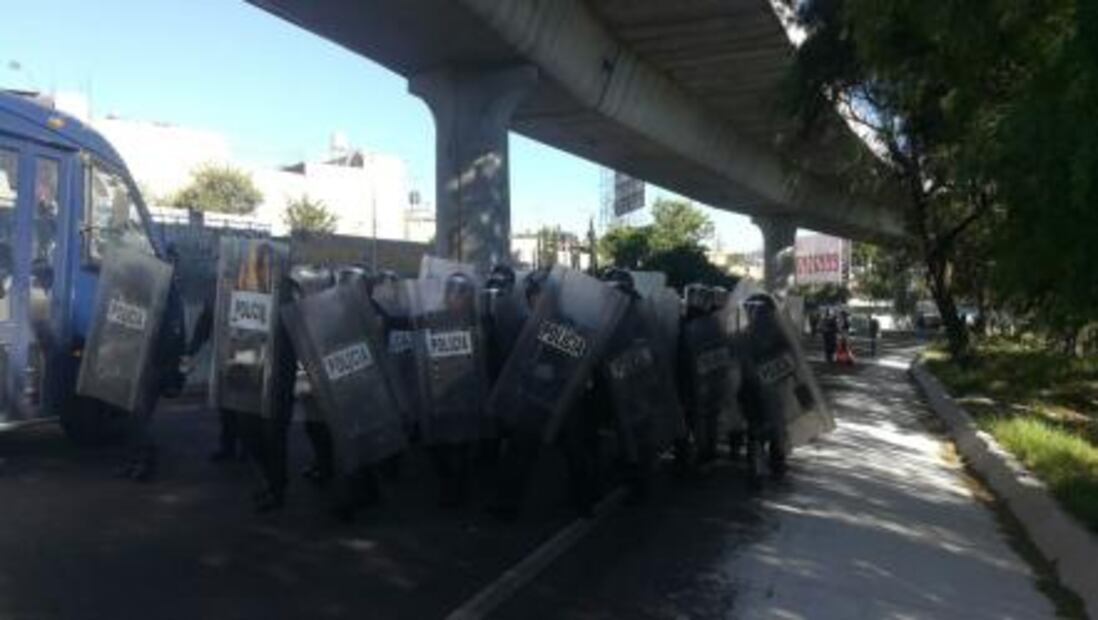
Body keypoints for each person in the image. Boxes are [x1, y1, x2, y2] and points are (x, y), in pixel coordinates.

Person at [116, 244, 186, 482]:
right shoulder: (155, 288)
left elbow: (173, 331)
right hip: (143, 359)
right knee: (132, 414)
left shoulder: (169, 291)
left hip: (153, 362)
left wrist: (162, 362)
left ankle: (145, 459)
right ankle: (136, 460)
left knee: (137, 414)